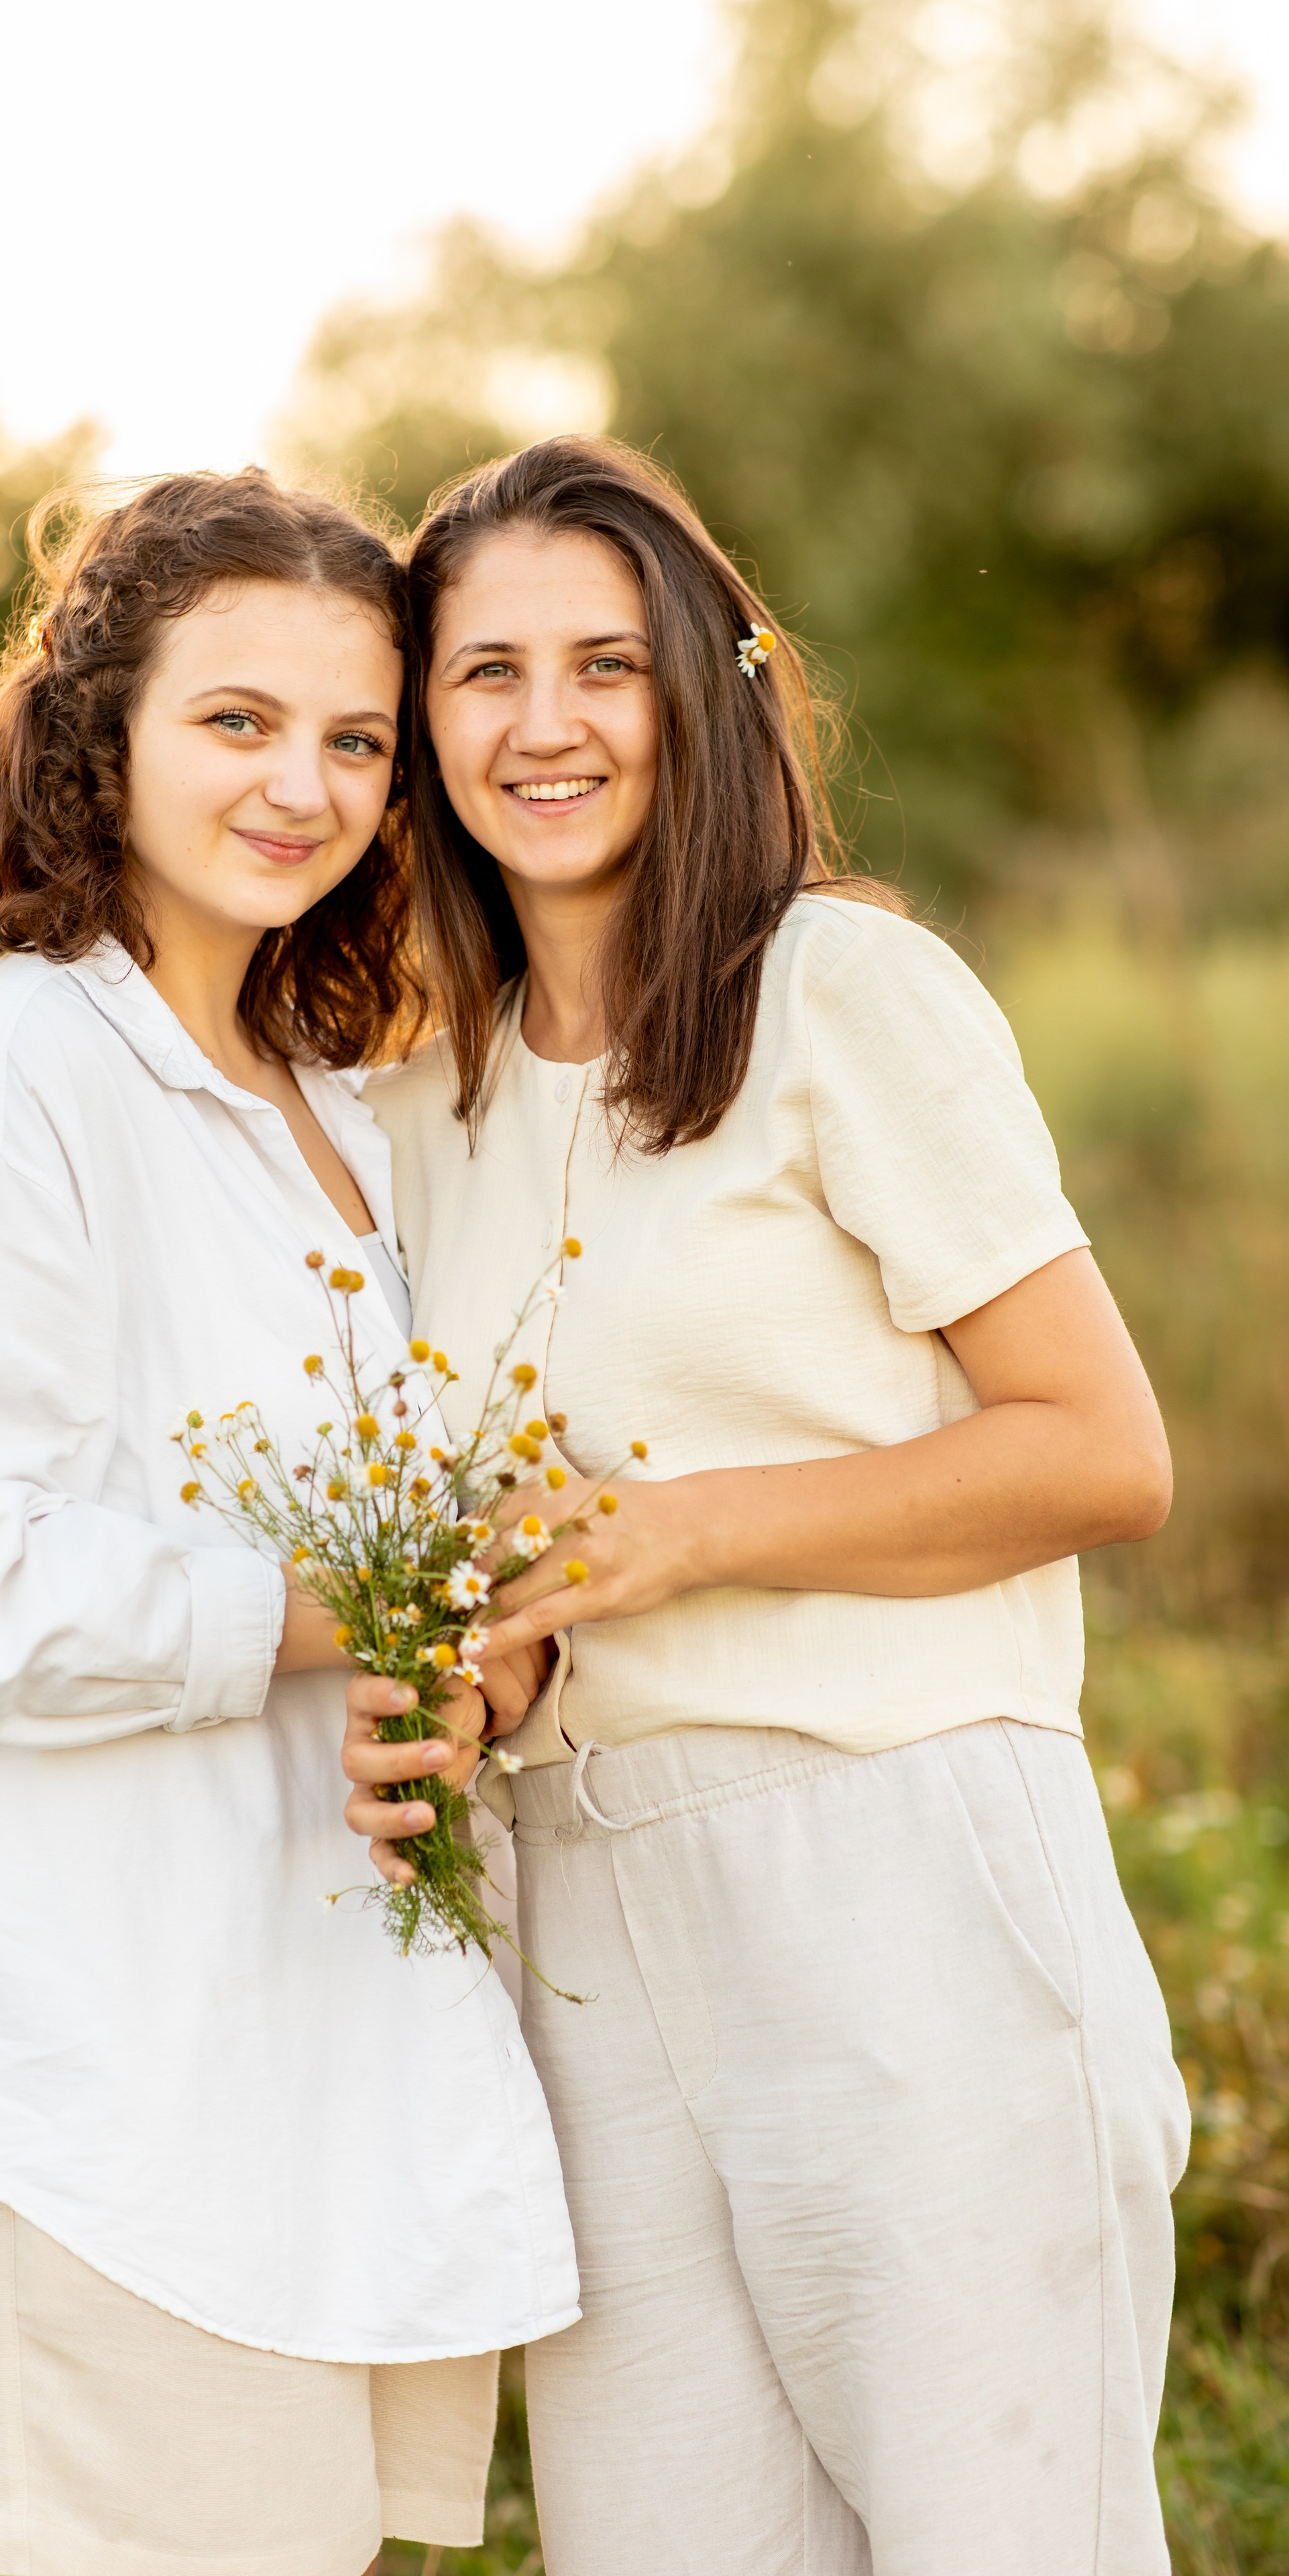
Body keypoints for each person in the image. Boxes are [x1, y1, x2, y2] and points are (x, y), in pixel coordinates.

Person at [347, 435, 1190, 2576]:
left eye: (605, 666)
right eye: (485, 674)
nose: (545, 727)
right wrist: (489, 1658)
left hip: (895, 1874)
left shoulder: (843, 995)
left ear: (704, 692)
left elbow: (1103, 1447)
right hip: (586, 1935)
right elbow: (509, 1528)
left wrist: (694, 1534)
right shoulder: (420, 1092)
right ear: (423, 722)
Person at [0, 468, 575, 2576]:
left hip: (288, 2085)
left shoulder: (335, 1119)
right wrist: (340, 1608)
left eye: (357, 739)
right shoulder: (6, 1078)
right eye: (236, 721)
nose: (301, 784)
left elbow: (366, 1556)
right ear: (96, 734)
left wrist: (459, 1667)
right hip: (85, 2100)